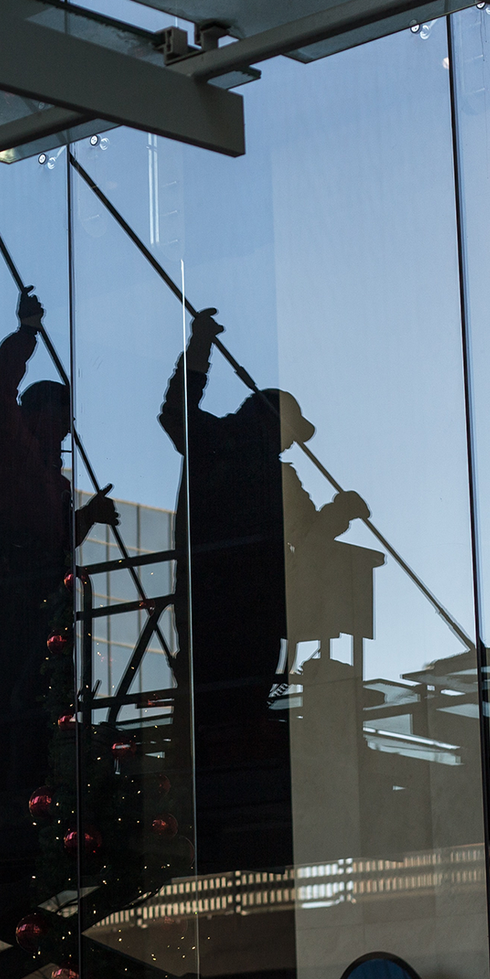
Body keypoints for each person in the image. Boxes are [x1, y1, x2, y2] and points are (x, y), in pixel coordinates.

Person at [159, 307, 365, 733]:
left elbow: (174, 411)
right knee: (235, 698)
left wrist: (200, 346)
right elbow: (310, 535)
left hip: (218, 602)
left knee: (215, 699)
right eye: (288, 435)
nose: (289, 445)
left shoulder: (230, 452)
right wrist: (342, 512)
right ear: (272, 425)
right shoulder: (234, 453)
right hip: (244, 606)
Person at [0, 291, 118, 794]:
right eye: (61, 418)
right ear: (40, 415)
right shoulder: (9, 442)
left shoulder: (50, 477)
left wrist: (87, 519)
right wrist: (27, 333)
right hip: (14, 577)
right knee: (20, 681)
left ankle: (20, 777)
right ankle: (7, 782)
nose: (66, 430)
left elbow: (56, 540)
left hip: (30, 577)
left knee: (31, 680)